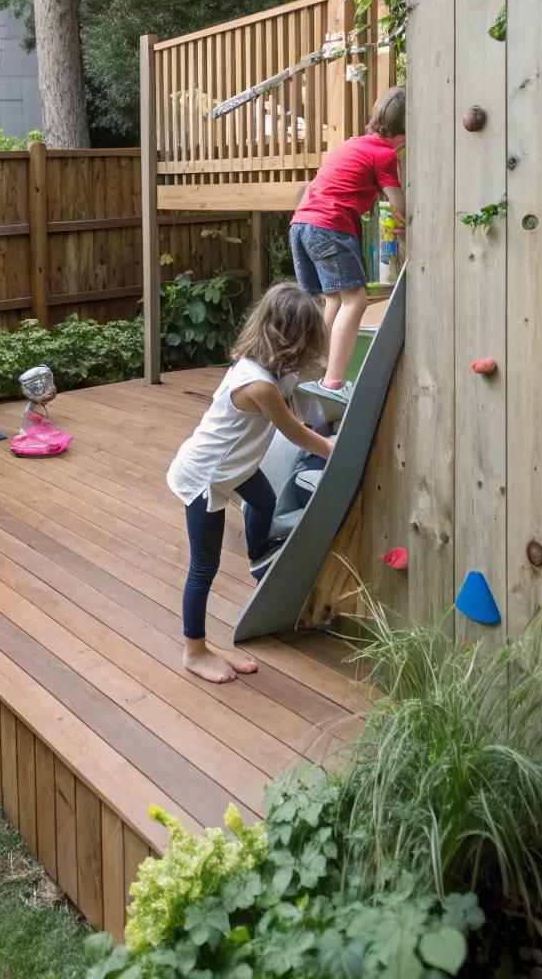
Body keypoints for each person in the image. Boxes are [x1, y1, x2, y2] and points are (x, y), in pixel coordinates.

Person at [167, 283, 335, 685]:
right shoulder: (258, 384)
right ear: (295, 340)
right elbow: (295, 433)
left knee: (264, 502)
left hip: (236, 467)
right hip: (207, 477)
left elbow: (298, 407)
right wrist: (339, 450)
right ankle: (194, 650)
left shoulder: (271, 369)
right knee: (203, 567)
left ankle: (260, 558)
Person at [290, 85, 406, 394]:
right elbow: (398, 202)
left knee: (334, 298)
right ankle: (333, 381)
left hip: (301, 226)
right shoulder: (384, 154)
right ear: (404, 133)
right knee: (355, 300)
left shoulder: (354, 144)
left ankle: (313, 367)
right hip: (329, 226)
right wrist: (409, 222)